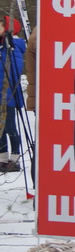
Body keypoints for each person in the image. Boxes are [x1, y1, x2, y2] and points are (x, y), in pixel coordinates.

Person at [0, 17, 25, 173]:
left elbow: (13, 72)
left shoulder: (14, 47)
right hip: (1, 93)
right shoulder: (3, 46)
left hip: (8, 95)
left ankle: (15, 158)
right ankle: (3, 158)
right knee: (1, 128)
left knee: (9, 127)